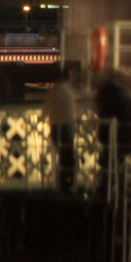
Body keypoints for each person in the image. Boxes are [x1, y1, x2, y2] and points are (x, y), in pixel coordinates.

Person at [93, 68, 131, 173]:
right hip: (123, 133)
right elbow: (127, 110)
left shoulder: (104, 92)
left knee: (111, 162)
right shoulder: (119, 93)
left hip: (110, 132)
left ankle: (107, 183)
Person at [44, 62, 82, 194]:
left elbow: (45, 109)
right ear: (68, 78)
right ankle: (67, 182)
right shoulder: (67, 93)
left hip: (55, 127)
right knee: (68, 155)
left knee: (60, 154)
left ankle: (60, 181)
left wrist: (41, 118)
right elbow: (71, 113)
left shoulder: (53, 91)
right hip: (66, 127)